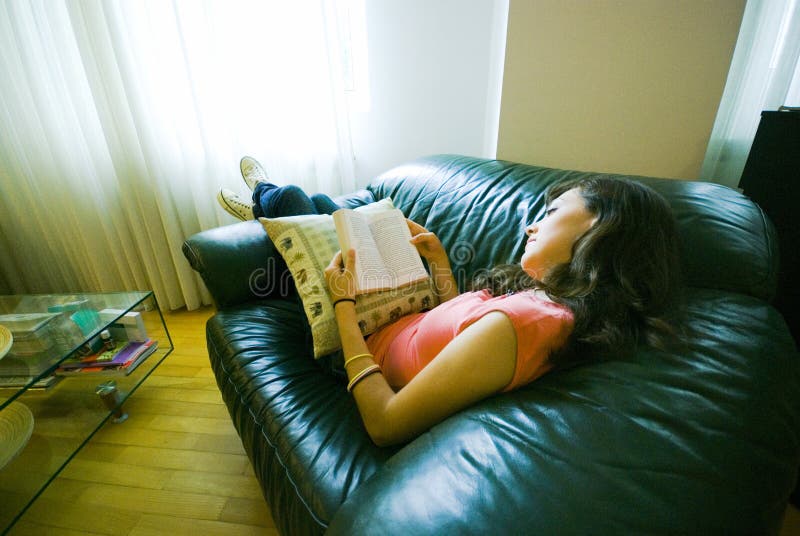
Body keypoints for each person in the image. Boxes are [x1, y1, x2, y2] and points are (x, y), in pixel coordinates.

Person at [218, 156, 683, 447]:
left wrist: (343, 307)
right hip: (401, 308)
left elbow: (384, 423)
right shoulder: (552, 304)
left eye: (553, 214)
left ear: (598, 231)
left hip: (357, 347)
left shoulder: (525, 323)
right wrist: (439, 260)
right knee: (336, 211)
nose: (531, 227)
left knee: (302, 203)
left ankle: (264, 199)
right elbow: (459, 328)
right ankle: (269, 204)